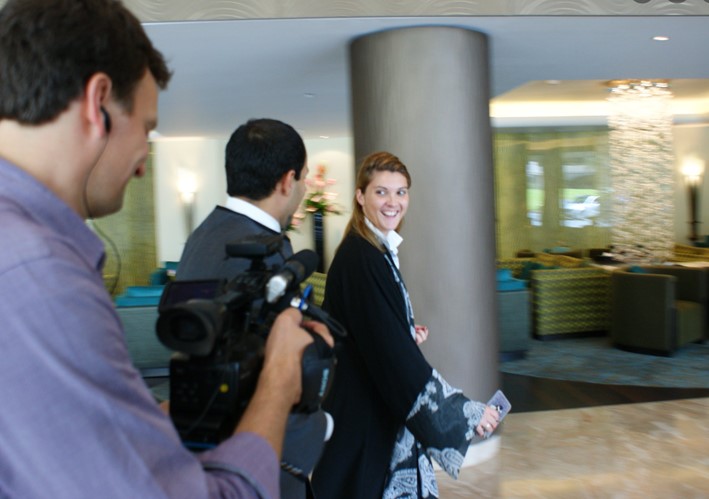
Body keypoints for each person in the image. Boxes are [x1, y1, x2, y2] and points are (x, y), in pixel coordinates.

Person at [0, 1, 331, 498]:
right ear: (99, 103)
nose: (141, 165)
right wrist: (279, 378)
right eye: (148, 130)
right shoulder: (40, 275)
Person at [311, 151, 501, 498]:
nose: (393, 202)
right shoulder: (361, 258)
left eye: (401, 192)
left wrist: (403, 332)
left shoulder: (372, 251)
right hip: (365, 416)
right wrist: (465, 413)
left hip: (368, 407)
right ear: (360, 196)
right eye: (381, 191)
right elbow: (392, 357)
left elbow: (372, 331)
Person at [176, 118, 330, 498]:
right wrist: (320, 426)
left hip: (200, 443)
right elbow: (278, 371)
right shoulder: (266, 250)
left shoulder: (203, 235)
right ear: (285, 181)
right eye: (304, 178)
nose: (304, 188)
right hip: (259, 460)